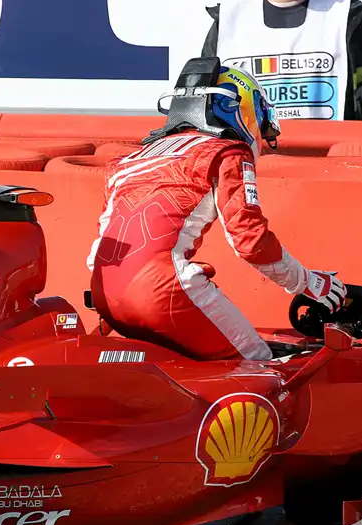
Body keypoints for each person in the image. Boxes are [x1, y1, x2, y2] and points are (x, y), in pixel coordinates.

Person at [85, 57, 347, 362]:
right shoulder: (226, 152)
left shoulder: (129, 160)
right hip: (161, 291)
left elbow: (100, 248)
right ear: (236, 109)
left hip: (106, 294)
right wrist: (309, 282)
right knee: (260, 368)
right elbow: (252, 243)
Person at [200, 0, 362, 122]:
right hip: (246, 179)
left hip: (331, 178)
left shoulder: (352, 19)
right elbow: (200, 104)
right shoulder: (228, 22)